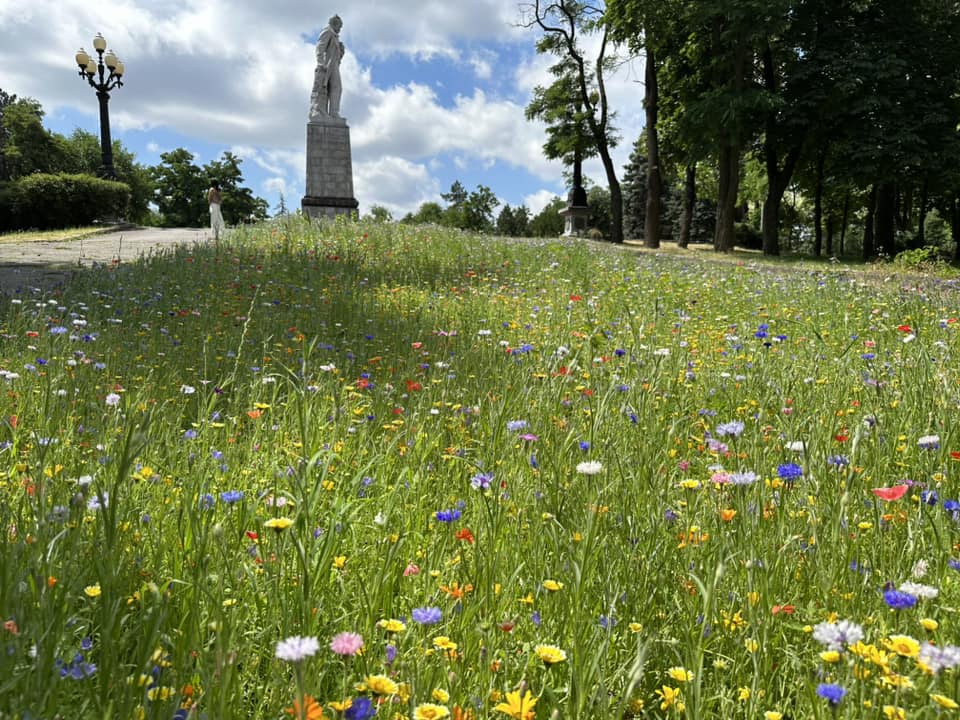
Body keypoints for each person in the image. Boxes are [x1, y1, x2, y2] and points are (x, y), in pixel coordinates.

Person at [309, 15, 345, 120]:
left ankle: (334, 112)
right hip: (327, 65)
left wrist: (341, 51)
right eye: (339, 26)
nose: (340, 29)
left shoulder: (335, 37)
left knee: (336, 88)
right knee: (322, 88)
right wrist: (320, 62)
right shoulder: (328, 31)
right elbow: (320, 46)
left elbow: (337, 56)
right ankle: (319, 111)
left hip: (334, 65)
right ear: (334, 23)